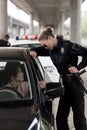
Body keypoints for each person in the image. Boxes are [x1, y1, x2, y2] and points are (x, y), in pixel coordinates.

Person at [30, 27, 87, 130]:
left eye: (45, 44)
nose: (44, 47)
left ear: (50, 38)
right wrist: (33, 51)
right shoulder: (51, 49)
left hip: (74, 85)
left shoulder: (68, 46)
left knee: (79, 119)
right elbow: (37, 49)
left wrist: (78, 68)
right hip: (64, 86)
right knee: (60, 118)